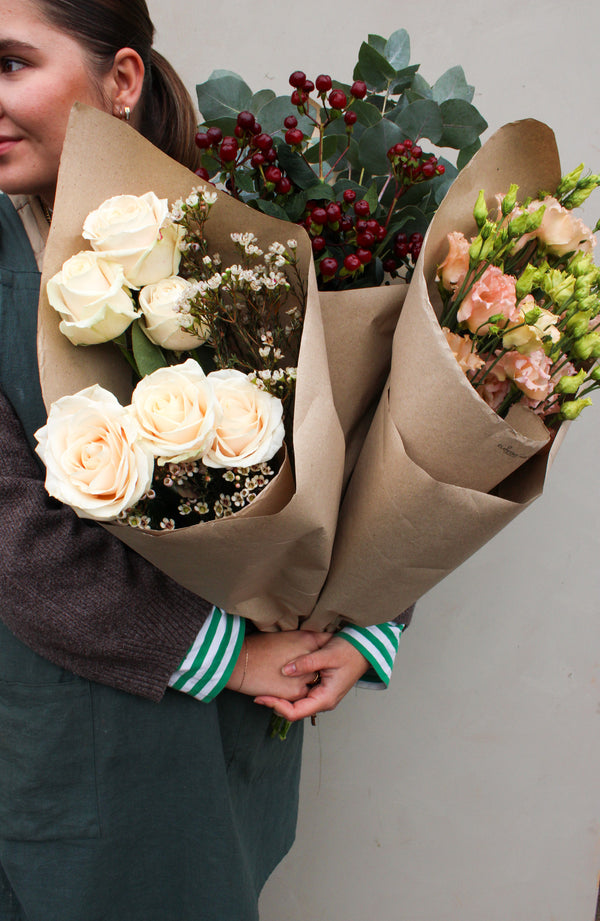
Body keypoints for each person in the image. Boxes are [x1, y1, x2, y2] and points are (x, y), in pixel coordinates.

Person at [0, 1, 409, 918]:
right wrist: (228, 656)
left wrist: (366, 623)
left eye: (11, 63)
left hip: (243, 732)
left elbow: (370, 433)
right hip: (75, 741)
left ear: (123, 80)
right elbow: (15, 540)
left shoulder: (245, 229)